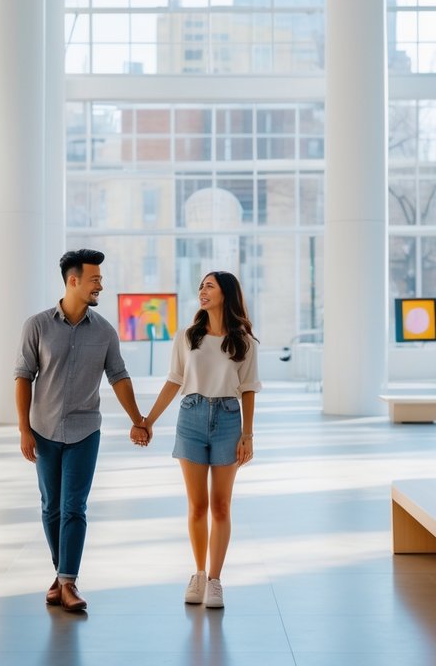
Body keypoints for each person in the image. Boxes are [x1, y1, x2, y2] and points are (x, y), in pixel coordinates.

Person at [14, 248, 153, 612]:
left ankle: (68, 582)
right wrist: (23, 429)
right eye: (95, 280)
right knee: (51, 508)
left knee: (74, 506)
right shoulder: (37, 325)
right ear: (73, 281)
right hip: (43, 428)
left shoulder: (105, 332)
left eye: (100, 280)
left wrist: (138, 419)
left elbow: (118, 376)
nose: (100, 287)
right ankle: (62, 575)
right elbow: (23, 377)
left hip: (84, 430)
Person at [140, 271, 260, 609]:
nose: (202, 292)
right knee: (197, 505)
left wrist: (247, 435)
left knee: (221, 505)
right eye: (200, 287)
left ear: (226, 294)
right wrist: (148, 419)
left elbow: (249, 389)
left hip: (227, 419)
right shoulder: (187, 336)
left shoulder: (244, 341)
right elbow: (174, 381)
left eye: (209, 286)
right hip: (190, 416)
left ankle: (215, 580)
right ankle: (198, 573)